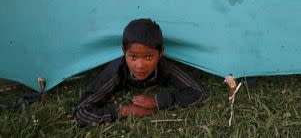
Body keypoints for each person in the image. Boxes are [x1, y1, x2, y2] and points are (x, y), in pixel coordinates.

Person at [74, 18, 205, 125]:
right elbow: (82, 113)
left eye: (148, 57)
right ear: (124, 52)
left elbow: (197, 93)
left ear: (160, 54)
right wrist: (125, 111)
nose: (140, 66)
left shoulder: (166, 67)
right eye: (133, 57)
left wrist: (157, 101)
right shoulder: (116, 71)